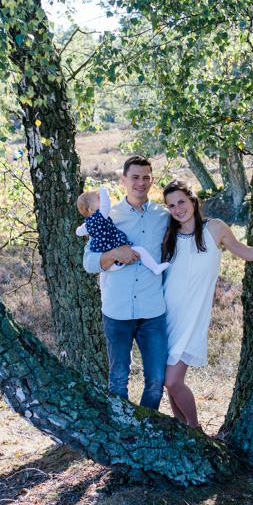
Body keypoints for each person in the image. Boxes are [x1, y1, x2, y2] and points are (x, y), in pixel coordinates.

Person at [161, 179, 253, 429]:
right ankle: (183, 432)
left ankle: (196, 429)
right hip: (165, 315)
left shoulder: (215, 229)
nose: (178, 209)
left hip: (192, 317)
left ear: (192, 200)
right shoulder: (169, 235)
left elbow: (247, 252)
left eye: (181, 201)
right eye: (171, 206)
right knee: (169, 383)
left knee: (173, 381)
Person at [82, 155, 170, 410]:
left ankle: (145, 428)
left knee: (156, 381)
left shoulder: (164, 217)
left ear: (151, 180)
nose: (140, 183)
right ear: (123, 180)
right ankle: (122, 435)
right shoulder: (107, 215)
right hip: (117, 311)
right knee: (118, 380)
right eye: (135, 177)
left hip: (153, 311)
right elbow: (88, 262)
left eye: (146, 178)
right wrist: (113, 255)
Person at [75, 186, 170, 276]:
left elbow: (79, 232)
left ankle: (103, 292)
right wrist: (103, 191)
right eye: (99, 198)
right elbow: (105, 205)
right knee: (140, 250)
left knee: (104, 275)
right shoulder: (103, 216)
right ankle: (155, 268)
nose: (102, 199)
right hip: (115, 256)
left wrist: (78, 229)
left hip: (107, 260)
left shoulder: (89, 224)